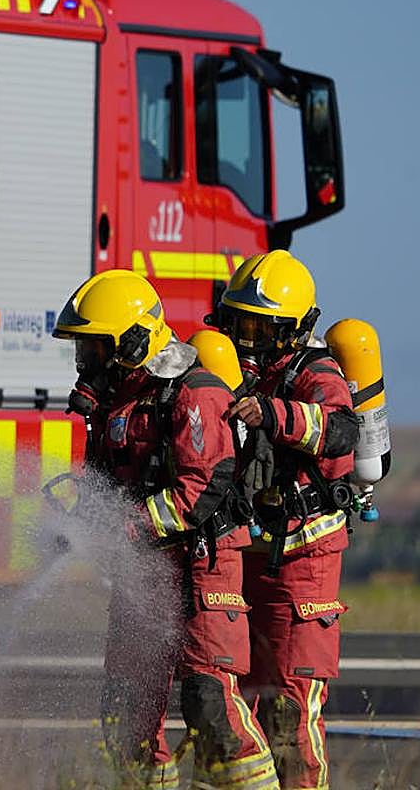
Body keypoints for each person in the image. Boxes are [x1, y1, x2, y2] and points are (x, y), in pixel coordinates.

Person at [53, 270, 277, 790]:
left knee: (209, 703)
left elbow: (203, 487)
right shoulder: (117, 405)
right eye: (82, 350)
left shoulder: (193, 394)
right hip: (144, 569)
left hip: (203, 564)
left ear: (131, 343)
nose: (85, 362)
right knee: (125, 709)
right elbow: (105, 488)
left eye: (93, 348)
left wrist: (124, 527)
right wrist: (77, 526)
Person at [216, 250, 359, 789]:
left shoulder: (317, 375)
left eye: (260, 327)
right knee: (247, 698)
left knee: (292, 715)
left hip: (305, 566)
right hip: (251, 559)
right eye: (240, 324)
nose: (247, 340)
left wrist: (274, 414)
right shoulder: (245, 375)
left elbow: (341, 431)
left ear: (293, 329)